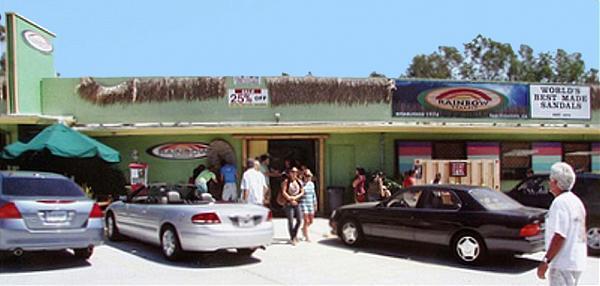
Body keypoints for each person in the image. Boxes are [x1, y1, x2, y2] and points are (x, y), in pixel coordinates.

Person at [537, 162, 587, 286]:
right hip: (576, 261)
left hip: (562, 262)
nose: (549, 183)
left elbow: (560, 235)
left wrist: (546, 260)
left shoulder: (559, 203)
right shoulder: (576, 201)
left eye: (550, 180)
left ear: (556, 182)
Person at [280, 167, 304, 245]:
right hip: (288, 203)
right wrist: (290, 199)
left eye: (295, 172)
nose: (294, 174)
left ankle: (294, 233)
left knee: (299, 220)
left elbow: (302, 192)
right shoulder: (286, 181)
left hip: (297, 202)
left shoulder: (299, 182)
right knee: (290, 221)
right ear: (289, 173)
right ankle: (292, 237)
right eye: (292, 172)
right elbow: (283, 192)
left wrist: (295, 198)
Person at [299, 169, 317, 242]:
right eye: (306, 176)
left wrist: (315, 203)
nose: (308, 177)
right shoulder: (301, 184)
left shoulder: (311, 184)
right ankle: (306, 236)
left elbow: (314, 194)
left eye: (309, 176)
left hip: (310, 203)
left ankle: (303, 229)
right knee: (306, 220)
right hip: (303, 203)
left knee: (311, 221)